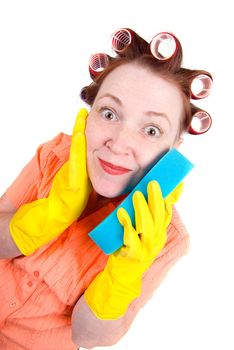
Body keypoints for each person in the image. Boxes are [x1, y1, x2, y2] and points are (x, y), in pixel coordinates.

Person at [0, 28, 212, 349]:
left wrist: (125, 273)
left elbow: (87, 336)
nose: (120, 143)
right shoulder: (55, 155)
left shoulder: (168, 239)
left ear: (174, 147)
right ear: (89, 114)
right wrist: (51, 213)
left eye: (152, 129)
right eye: (110, 113)